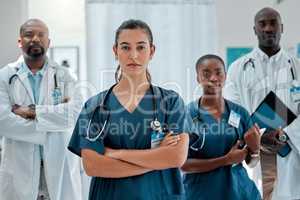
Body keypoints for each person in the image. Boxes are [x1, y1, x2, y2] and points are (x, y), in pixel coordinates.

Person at [68, 19, 189, 200]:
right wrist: (157, 159)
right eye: (125, 47)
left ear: (152, 51)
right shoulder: (95, 106)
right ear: (115, 51)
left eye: (141, 47)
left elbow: (176, 157)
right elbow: (93, 166)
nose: (133, 55)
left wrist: (116, 153)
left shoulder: (171, 102)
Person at [0, 19, 83, 200]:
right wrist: (50, 126)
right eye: (29, 34)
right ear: (20, 41)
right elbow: (3, 121)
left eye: (41, 35)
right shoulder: (5, 76)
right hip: (19, 168)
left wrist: (32, 112)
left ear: (48, 42)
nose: (35, 39)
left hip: (58, 164)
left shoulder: (65, 75)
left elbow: (74, 114)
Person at [224, 7, 300, 200]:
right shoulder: (238, 68)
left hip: (291, 153)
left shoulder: (297, 66)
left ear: (281, 28)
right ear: (255, 29)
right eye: (262, 23)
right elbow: (232, 111)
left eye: (273, 23)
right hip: (254, 153)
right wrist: (260, 137)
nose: (268, 28)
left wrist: (285, 135)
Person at [182, 54, 261, 200]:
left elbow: (251, 162)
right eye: (206, 74)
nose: (213, 78)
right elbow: (182, 165)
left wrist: (255, 149)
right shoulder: (186, 115)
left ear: (225, 76)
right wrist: (225, 160)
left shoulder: (240, 113)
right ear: (198, 78)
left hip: (239, 192)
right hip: (200, 194)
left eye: (218, 72)